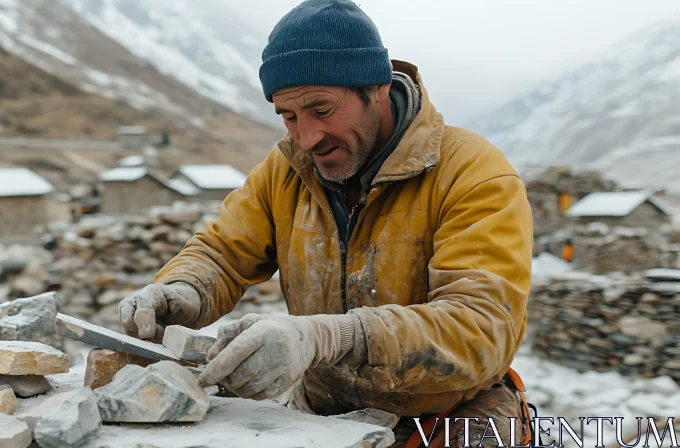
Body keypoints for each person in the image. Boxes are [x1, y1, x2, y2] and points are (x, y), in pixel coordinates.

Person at [118, 1, 534, 446]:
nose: (307, 137)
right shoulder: (286, 171)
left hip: (445, 420)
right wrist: (184, 290)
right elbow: (223, 253)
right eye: (288, 115)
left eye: (321, 109)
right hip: (320, 420)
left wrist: (330, 337)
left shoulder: (473, 174)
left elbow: (479, 328)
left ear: (375, 86)